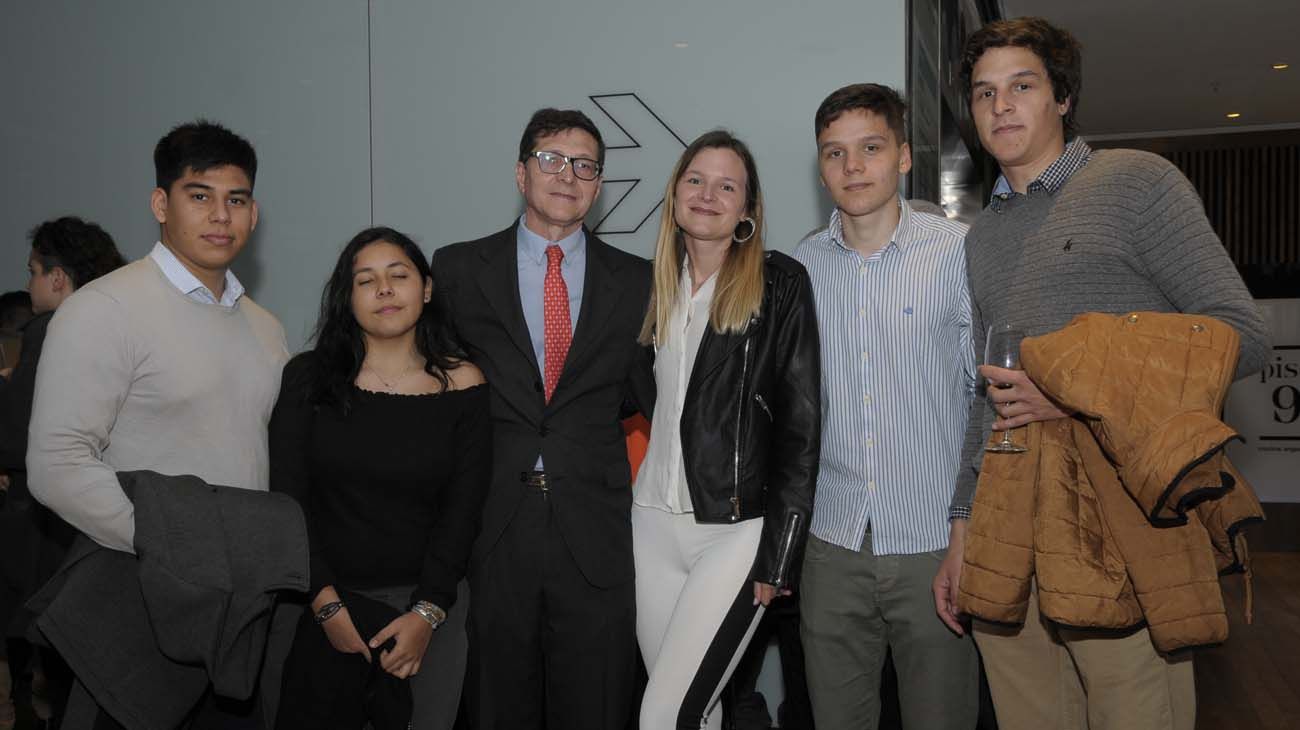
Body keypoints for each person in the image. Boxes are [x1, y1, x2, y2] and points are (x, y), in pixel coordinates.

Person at [931, 17, 1270, 730]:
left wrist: (1077, 395)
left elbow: (1237, 334)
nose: (1002, 106)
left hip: (1118, 520)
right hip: (1007, 521)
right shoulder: (982, 235)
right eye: (985, 92)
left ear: (1062, 98)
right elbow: (981, 393)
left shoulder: (1136, 182)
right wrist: (961, 529)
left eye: (1022, 85)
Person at [26, 120, 291, 728]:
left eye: (237, 199)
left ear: (253, 215)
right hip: (134, 593)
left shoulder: (265, 328)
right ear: (160, 204)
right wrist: (171, 548)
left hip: (236, 605)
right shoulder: (103, 310)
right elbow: (57, 466)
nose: (220, 215)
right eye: (199, 196)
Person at [430, 108, 652, 730]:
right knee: (497, 703)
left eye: (585, 165)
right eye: (552, 159)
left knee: (599, 703)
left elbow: (646, 394)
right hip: (493, 523)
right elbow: (436, 395)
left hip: (597, 527)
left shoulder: (638, 281)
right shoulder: (455, 270)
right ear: (521, 173)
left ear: (599, 184)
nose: (568, 175)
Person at [793, 83, 979, 730]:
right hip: (831, 543)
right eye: (834, 153)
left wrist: (967, 531)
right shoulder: (799, 270)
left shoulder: (956, 253)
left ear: (902, 156)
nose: (852, 168)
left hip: (934, 540)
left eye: (870, 148)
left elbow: (984, 400)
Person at [632, 130, 820, 730]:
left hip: (735, 533)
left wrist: (781, 555)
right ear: (675, 195)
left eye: (727, 185)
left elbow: (801, 425)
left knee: (663, 717)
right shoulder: (651, 288)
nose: (708, 195)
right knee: (700, 714)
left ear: (748, 209)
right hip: (650, 526)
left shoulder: (778, 283)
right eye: (696, 180)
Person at [270, 227, 488, 729]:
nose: (384, 290)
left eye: (398, 275)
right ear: (348, 299)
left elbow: (464, 510)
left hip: (428, 611)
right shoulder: (307, 379)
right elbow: (288, 500)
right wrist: (325, 605)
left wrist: (427, 614)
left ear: (426, 288)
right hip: (318, 604)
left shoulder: (465, 383)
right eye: (365, 280)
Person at [0, 217, 125, 729]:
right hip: (110, 526)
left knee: (64, 681)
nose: (30, 285)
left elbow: (16, 438)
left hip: (51, 532)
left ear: (57, 278)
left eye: (33, 271)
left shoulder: (51, 329)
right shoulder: (123, 322)